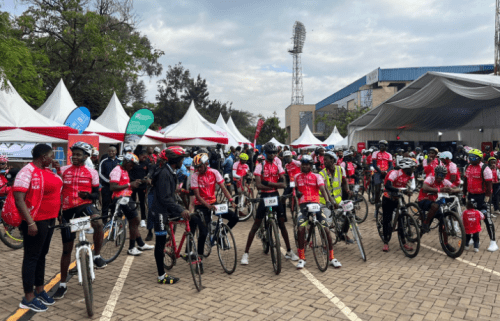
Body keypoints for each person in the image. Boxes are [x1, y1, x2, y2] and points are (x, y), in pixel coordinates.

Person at [52, 142, 106, 300]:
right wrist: (58, 212)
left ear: (86, 156)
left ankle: (96, 255)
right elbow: (57, 192)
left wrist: (88, 196)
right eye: (73, 154)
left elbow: (96, 194)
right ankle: (62, 285)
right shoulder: (62, 170)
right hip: (68, 210)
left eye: (78, 154)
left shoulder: (92, 172)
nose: (74, 157)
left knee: (98, 223)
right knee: (66, 250)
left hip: (85, 206)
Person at [13, 144, 63, 312]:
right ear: (43, 158)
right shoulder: (27, 171)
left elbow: (58, 187)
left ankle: (39, 289)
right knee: (31, 257)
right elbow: (18, 198)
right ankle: (28, 297)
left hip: (49, 220)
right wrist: (30, 222)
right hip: (35, 221)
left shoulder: (47, 170)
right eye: (51, 156)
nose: (53, 158)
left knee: (42, 255)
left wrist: (58, 170)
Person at [241, 142, 299, 265]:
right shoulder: (260, 165)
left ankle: (289, 250)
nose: (272, 155)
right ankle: (246, 253)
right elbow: (258, 185)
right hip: (264, 196)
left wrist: (267, 183)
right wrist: (274, 185)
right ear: (265, 153)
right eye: (270, 153)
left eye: (274, 153)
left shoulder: (278, 163)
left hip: (275, 196)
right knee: (256, 225)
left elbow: (283, 183)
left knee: (282, 224)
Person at [190, 153, 238, 272]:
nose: (198, 169)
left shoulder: (214, 172)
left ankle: (221, 234)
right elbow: (197, 196)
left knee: (235, 218)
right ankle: (199, 261)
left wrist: (231, 200)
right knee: (203, 233)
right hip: (201, 206)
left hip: (214, 204)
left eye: (200, 166)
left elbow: (223, 188)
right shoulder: (194, 176)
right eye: (196, 167)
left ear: (206, 164)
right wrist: (208, 206)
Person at [151, 147, 190, 284]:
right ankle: (161, 276)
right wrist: (179, 209)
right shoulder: (164, 173)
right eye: (182, 159)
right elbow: (164, 198)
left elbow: (170, 195)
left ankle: (178, 250)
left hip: (167, 208)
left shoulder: (170, 171)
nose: (183, 161)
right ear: (175, 160)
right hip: (160, 211)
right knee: (160, 243)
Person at [294, 155, 341, 269]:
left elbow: (322, 189)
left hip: (316, 204)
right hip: (304, 205)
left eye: (307, 165)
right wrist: (297, 193)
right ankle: (301, 258)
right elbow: (294, 189)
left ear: (310, 166)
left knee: (326, 229)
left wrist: (328, 201)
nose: (304, 166)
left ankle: (332, 257)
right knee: (300, 229)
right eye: (303, 164)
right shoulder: (296, 176)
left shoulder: (317, 176)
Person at [110, 153, 154, 256]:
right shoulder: (117, 170)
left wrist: (135, 183)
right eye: (132, 165)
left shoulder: (124, 170)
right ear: (126, 162)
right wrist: (130, 184)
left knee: (134, 221)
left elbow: (123, 185)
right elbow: (112, 187)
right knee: (135, 221)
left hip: (126, 198)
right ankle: (131, 248)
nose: (132, 167)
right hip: (121, 199)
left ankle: (140, 244)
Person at [463, 149, 498, 252]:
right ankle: (472, 239)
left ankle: (493, 242)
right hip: (471, 196)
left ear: (479, 158)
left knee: (486, 218)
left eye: (473, 158)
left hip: (482, 197)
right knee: (471, 218)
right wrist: (464, 194)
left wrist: (487, 198)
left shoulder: (485, 168)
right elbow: (465, 181)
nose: (471, 159)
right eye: (470, 157)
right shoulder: (468, 167)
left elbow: (489, 185)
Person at [380, 158, 416, 252]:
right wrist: (398, 190)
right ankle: (386, 242)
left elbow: (412, 184)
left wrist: (410, 191)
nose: (413, 170)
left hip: (399, 197)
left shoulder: (410, 174)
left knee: (402, 220)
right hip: (388, 197)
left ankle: (404, 242)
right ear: (405, 168)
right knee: (387, 220)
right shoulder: (395, 173)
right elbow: (388, 185)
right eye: (411, 168)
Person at [418, 166, 461, 237]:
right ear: (435, 174)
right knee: (435, 206)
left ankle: (446, 244)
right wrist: (439, 190)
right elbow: (425, 187)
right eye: (438, 174)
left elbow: (457, 189)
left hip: (435, 201)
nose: (440, 177)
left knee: (443, 220)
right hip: (424, 199)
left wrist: (451, 190)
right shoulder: (430, 178)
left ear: (444, 176)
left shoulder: (445, 181)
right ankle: (426, 223)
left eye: (442, 175)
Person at [99, 146, 120, 222]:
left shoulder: (120, 161)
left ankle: (113, 221)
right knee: (105, 205)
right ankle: (104, 221)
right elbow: (101, 174)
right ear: (108, 152)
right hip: (106, 187)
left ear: (116, 152)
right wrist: (109, 181)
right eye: (110, 151)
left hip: (116, 187)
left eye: (113, 151)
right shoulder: (104, 161)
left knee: (115, 204)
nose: (111, 152)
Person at [130, 150, 149, 228]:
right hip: (134, 185)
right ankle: (133, 218)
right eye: (142, 156)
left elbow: (148, 173)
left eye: (145, 156)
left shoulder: (146, 163)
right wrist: (134, 180)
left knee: (142, 203)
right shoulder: (134, 162)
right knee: (133, 202)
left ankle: (143, 219)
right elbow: (129, 172)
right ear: (139, 156)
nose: (144, 158)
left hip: (142, 185)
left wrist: (144, 179)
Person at [372, 140, 393, 207]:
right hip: (377, 172)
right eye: (380, 145)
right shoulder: (375, 153)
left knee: (390, 187)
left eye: (383, 146)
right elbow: (374, 165)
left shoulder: (389, 155)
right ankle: (376, 203)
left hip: (386, 172)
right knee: (377, 188)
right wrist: (380, 171)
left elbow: (391, 166)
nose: (381, 147)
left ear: (386, 147)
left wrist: (387, 171)